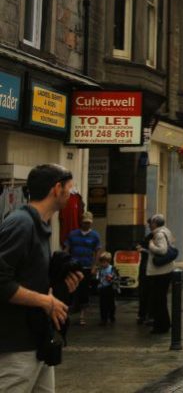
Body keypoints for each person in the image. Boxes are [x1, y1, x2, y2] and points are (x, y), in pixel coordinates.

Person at [0, 164, 83, 392]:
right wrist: (45, 302)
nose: (71, 193)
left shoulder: (40, 225)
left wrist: (56, 283)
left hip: (37, 341)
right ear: (57, 189)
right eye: (69, 188)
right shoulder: (21, 223)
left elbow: (25, 277)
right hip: (15, 347)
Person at [65, 210, 102, 326]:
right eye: (85, 222)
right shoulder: (73, 234)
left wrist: (94, 266)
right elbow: (67, 248)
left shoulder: (95, 235)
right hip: (73, 266)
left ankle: (82, 315)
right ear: (81, 222)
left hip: (86, 266)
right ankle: (67, 313)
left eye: (89, 223)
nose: (87, 224)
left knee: (84, 291)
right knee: (70, 289)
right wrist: (65, 262)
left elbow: (97, 251)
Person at [146, 214, 175, 334]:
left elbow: (162, 250)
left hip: (159, 272)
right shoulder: (166, 231)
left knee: (158, 299)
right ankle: (165, 323)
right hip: (166, 270)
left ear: (155, 223)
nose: (149, 225)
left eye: (151, 223)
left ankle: (161, 326)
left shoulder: (158, 234)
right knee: (161, 299)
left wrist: (151, 245)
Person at [135, 218, 154, 324]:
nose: (149, 226)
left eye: (150, 224)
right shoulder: (149, 236)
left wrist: (143, 250)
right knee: (143, 292)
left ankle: (148, 315)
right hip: (145, 267)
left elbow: (156, 251)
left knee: (148, 292)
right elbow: (141, 243)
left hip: (150, 267)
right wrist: (139, 246)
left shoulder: (157, 236)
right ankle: (143, 314)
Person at [96, 252, 117, 325]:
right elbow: (98, 277)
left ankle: (111, 316)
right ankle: (103, 319)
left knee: (111, 303)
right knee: (102, 304)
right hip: (102, 288)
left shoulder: (112, 268)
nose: (103, 264)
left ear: (108, 261)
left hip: (110, 288)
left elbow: (116, 277)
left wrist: (112, 278)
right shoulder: (100, 269)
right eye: (101, 262)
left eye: (104, 262)